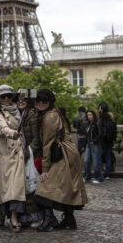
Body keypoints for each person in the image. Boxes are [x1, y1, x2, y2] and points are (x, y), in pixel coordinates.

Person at [34, 89, 88, 232]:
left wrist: (45, 169)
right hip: (68, 153)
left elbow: (47, 143)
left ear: (50, 102)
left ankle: (49, 220)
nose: (40, 103)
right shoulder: (54, 113)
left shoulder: (49, 117)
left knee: (44, 189)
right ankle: (69, 220)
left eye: (44, 100)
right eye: (38, 100)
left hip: (62, 155)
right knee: (66, 188)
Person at [0, 84, 26, 232]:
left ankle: (13, 217)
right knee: (5, 186)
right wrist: (12, 133)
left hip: (18, 150)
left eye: (9, 96)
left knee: (16, 186)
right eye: (3, 97)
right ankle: (2, 214)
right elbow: (2, 127)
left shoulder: (18, 109)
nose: (6, 99)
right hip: (4, 151)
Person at [17, 89, 44, 226]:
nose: (21, 101)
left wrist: (26, 153)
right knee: (24, 189)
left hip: (31, 155)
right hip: (22, 155)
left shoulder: (31, 115)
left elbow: (36, 140)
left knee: (32, 188)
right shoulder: (19, 115)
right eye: (18, 99)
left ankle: (35, 217)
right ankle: (26, 217)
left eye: (24, 99)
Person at [82, 110, 103, 184]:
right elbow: (87, 136)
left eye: (90, 115)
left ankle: (99, 178)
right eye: (88, 115)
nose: (89, 116)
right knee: (86, 161)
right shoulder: (88, 124)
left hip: (95, 144)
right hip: (88, 144)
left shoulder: (97, 123)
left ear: (94, 115)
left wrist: (95, 141)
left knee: (96, 162)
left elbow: (100, 133)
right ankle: (87, 176)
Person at [98, 102, 116, 179]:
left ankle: (100, 172)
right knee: (108, 157)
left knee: (100, 156)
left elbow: (99, 129)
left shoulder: (100, 118)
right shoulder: (110, 117)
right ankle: (107, 174)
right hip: (109, 140)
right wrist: (114, 140)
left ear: (101, 109)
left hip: (102, 140)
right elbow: (114, 129)